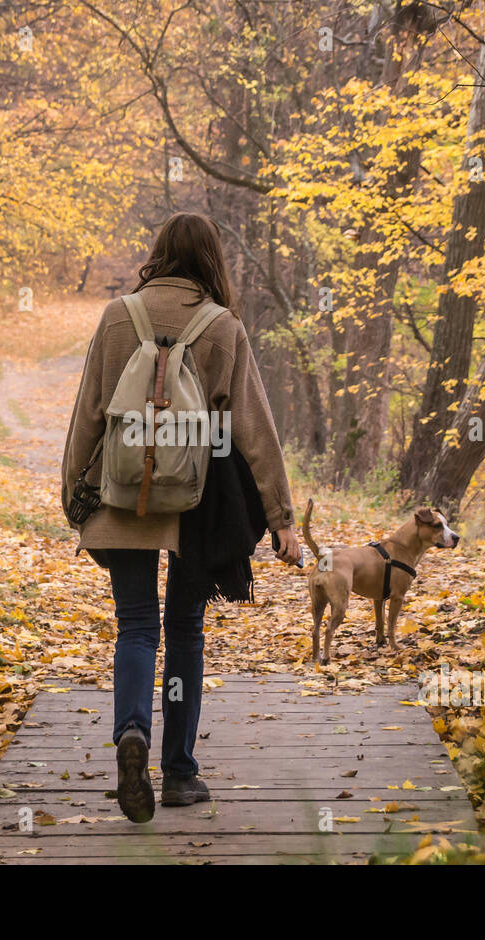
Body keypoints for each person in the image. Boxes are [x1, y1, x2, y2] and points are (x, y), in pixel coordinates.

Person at [61, 212, 301, 823]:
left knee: (136, 623)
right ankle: (179, 773)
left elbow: (90, 408)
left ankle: (131, 733)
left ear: (159, 254)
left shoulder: (118, 316)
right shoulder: (222, 327)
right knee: (186, 628)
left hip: (123, 491)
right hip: (196, 503)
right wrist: (281, 517)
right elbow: (253, 426)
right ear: (210, 261)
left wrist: (72, 488)